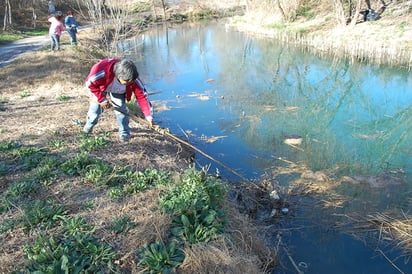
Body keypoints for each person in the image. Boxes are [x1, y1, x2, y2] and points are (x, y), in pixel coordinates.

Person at [83, 58, 154, 142]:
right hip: (100, 87)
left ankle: (124, 134)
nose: (129, 83)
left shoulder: (133, 79)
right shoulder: (101, 72)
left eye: (131, 81)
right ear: (119, 76)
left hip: (118, 91)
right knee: (95, 110)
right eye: (127, 81)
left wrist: (149, 117)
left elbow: (142, 97)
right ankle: (87, 129)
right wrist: (102, 99)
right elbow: (89, 84)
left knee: (121, 110)